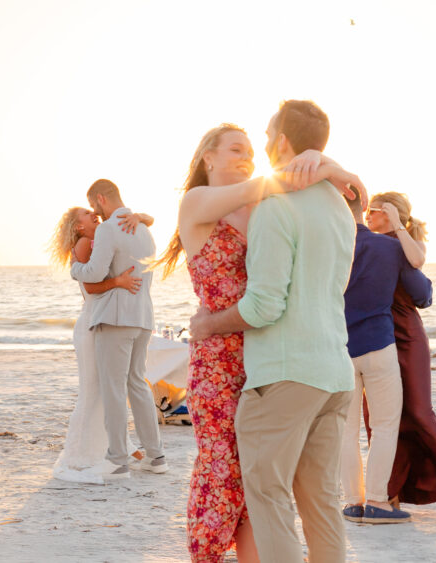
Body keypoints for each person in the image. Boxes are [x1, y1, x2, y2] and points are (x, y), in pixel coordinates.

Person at [155, 122, 360, 562]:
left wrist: (328, 166)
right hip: (217, 360)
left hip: (263, 355)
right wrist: (327, 166)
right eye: (234, 149)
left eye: (250, 150)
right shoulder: (199, 202)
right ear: (207, 156)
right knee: (223, 474)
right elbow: (283, 182)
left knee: (256, 490)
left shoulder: (263, 204)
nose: (246, 156)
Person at [365, 192, 436, 520]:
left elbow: (424, 294)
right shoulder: (366, 246)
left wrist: (399, 227)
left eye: (376, 210)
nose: (368, 215)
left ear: (395, 214)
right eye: (367, 210)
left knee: (420, 414)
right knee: (379, 420)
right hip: (372, 340)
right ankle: (390, 493)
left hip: (406, 338)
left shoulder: (400, 248)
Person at [340, 189, 432, 525]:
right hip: (379, 345)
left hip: (339, 349)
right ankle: (377, 501)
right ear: (363, 210)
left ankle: (352, 503)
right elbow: (422, 293)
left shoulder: (330, 245)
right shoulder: (390, 247)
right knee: (384, 427)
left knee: (345, 430)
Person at [69, 179, 165, 481]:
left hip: (116, 318)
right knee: (137, 383)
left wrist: (74, 268)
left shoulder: (110, 228)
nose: (95, 212)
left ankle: (117, 460)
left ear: (100, 198)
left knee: (113, 388)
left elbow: (94, 273)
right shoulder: (144, 229)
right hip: (143, 317)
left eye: (94, 205)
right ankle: (156, 456)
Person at [48, 206, 150, 484]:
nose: (93, 213)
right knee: (94, 390)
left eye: (93, 210)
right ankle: (80, 455)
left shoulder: (104, 235)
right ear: (78, 226)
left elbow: (149, 220)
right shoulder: (84, 243)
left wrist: (139, 216)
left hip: (101, 321)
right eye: (85, 214)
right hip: (93, 324)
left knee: (106, 389)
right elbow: (90, 286)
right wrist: (119, 281)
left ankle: (114, 448)